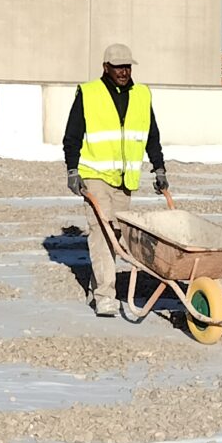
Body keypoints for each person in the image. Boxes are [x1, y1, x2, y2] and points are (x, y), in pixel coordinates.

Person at [63, 42, 168, 316]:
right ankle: (105, 295)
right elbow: (72, 136)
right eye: (118, 67)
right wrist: (72, 170)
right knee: (101, 231)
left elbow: (151, 135)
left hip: (125, 179)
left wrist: (159, 168)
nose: (123, 71)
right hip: (94, 175)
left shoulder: (142, 95)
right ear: (106, 67)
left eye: (127, 66)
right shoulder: (89, 93)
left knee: (117, 235)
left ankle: (97, 283)